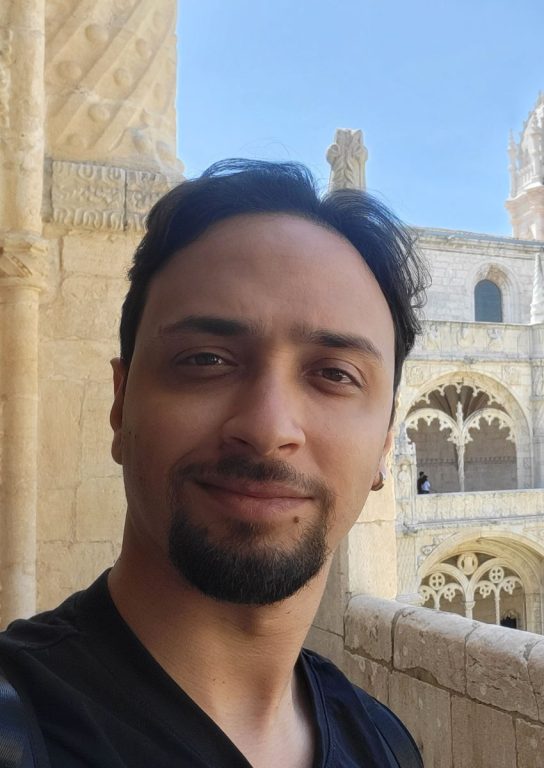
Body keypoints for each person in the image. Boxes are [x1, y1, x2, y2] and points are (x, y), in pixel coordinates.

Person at [0, 161, 428, 767]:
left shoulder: (385, 744)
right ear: (120, 405)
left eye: (334, 375)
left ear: (386, 443)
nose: (268, 429)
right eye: (206, 360)